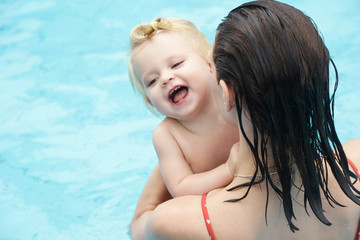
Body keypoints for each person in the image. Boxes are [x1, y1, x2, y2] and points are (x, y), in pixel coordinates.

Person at [131, 1, 360, 239]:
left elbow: (139, 229)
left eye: (213, 64)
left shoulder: (175, 223)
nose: (167, 78)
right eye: (152, 81)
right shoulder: (356, 164)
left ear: (227, 94)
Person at [128, 17, 239, 199]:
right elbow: (180, 187)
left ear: (209, 64)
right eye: (152, 81)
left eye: (176, 64)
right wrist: (228, 170)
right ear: (149, 101)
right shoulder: (167, 135)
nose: (165, 78)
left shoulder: (234, 94)